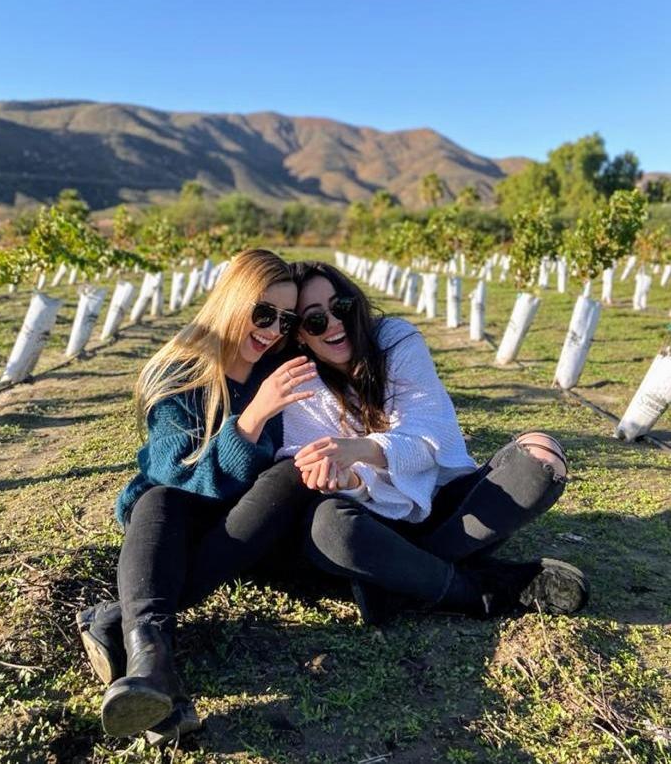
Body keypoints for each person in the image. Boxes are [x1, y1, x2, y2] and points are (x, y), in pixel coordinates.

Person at [88, 249, 321, 740]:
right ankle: (152, 661)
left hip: (244, 525)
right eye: (263, 313)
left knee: (289, 479)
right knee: (158, 500)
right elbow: (175, 474)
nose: (274, 330)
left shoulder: (278, 368)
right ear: (233, 301)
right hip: (175, 523)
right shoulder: (179, 372)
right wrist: (254, 416)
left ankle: (118, 623)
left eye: (286, 319)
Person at [278, 260, 588, 623]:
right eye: (315, 320)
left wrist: (360, 450)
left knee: (541, 454)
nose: (334, 323)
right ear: (299, 334)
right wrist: (350, 480)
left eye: (340, 307)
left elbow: (427, 443)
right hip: (375, 520)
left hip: (442, 501)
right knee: (328, 526)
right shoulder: (298, 381)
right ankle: (481, 590)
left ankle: (397, 580)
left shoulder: (396, 340)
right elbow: (324, 475)